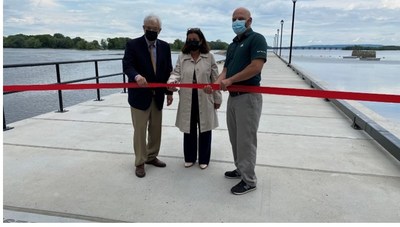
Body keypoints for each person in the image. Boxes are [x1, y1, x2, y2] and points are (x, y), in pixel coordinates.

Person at [205, 7, 267, 195]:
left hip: (248, 98)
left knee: (246, 140)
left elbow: (256, 67)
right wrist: (215, 84)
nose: (236, 22)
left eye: (241, 18)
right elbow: (225, 70)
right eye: (234, 19)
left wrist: (231, 80)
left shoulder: (256, 39)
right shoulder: (232, 45)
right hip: (233, 97)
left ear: (249, 21)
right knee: (235, 138)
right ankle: (240, 168)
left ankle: (249, 180)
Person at [123, 14, 173, 178]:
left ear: (160, 30)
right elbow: (127, 65)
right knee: (140, 130)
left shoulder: (165, 47)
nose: (151, 31)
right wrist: (136, 76)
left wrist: (169, 92)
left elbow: (168, 70)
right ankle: (140, 162)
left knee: (155, 129)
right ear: (143, 28)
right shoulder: (133, 45)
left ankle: (152, 156)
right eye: (148, 28)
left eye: (155, 29)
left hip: (158, 96)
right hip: (139, 96)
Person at [168, 28, 222, 169]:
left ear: (201, 40)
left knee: (205, 129)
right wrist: (172, 82)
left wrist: (218, 99)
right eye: (189, 40)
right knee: (189, 128)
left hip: (205, 98)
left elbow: (215, 78)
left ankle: (204, 159)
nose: (192, 42)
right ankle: (190, 157)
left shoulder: (209, 57)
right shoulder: (182, 56)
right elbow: (176, 73)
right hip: (187, 97)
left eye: (195, 40)